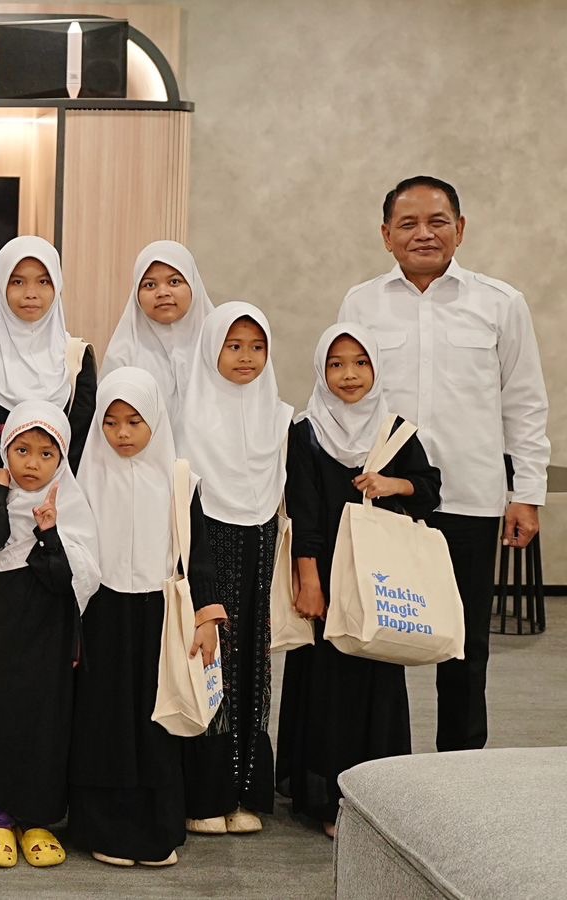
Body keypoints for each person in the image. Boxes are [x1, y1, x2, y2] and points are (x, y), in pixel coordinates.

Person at [338, 175, 549, 752]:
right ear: (386, 235)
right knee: (377, 639)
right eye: (407, 223)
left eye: (437, 222)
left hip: (470, 497)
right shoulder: (361, 303)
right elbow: (346, 395)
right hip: (388, 497)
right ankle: (380, 768)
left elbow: (525, 403)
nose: (423, 234)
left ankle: (459, 768)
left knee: (465, 646)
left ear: (461, 228)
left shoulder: (501, 303)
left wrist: (527, 493)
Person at [278, 324, 441, 837]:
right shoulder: (307, 431)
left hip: (378, 579)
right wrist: (309, 578)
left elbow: (430, 490)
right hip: (327, 576)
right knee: (328, 686)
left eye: (360, 363)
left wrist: (392, 483)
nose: (349, 375)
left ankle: (378, 797)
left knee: (377, 680)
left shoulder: (395, 431)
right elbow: (302, 510)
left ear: (376, 369)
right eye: (336, 364)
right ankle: (328, 801)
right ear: (321, 371)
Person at [69, 367, 223, 868]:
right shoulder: (84, 477)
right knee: (105, 723)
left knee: (156, 723)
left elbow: (198, 554)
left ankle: (156, 830)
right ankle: (105, 829)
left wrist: (206, 617)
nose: (122, 434)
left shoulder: (180, 480)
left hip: (160, 614)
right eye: (111, 422)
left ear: (154, 420)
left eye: (134, 422)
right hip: (101, 615)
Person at [0, 400, 101, 869]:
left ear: (61, 459)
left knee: (48, 720)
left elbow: (68, 578)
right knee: (2, 717)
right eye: (22, 450)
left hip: (50, 627)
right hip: (1, 623)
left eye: (46, 454)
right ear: (5, 450)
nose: (33, 463)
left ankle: (39, 819)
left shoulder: (71, 506)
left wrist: (48, 531)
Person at [175, 301, 293, 836]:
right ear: (211, 349)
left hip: (259, 546)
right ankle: (205, 795)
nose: (246, 357)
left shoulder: (280, 417)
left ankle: (244, 793)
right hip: (206, 543)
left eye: (257, 346)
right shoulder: (188, 415)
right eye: (233, 345)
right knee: (210, 663)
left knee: (251, 666)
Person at [0, 236, 98, 491]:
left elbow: (81, 440)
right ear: (1, 285)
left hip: (62, 496)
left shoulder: (76, 358)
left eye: (43, 281)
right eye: (17, 282)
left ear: (57, 285)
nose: (31, 294)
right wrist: (0, 488)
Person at [100, 240, 215, 436]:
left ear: (193, 285)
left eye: (174, 282)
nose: (162, 293)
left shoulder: (220, 346)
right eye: (150, 285)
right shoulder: (122, 356)